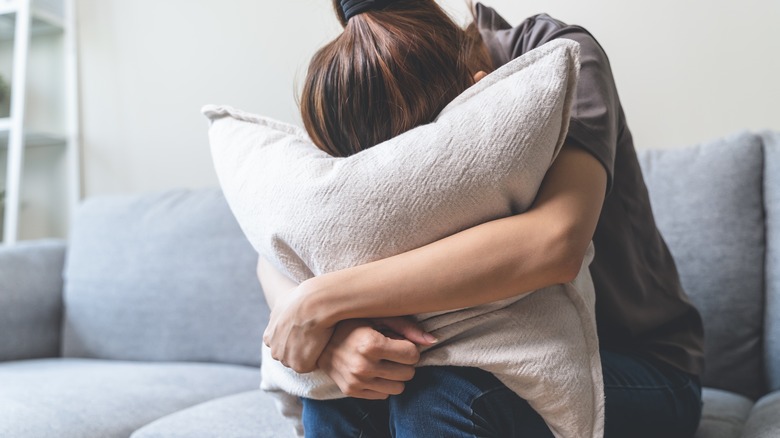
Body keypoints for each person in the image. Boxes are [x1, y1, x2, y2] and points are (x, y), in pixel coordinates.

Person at [259, 0, 705, 436]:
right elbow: (281, 246)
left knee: (446, 393)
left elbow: (556, 241)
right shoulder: (359, 83)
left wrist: (323, 302)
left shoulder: (554, 54)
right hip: (455, 352)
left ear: (481, 92)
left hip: (639, 364)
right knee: (341, 398)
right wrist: (333, 336)